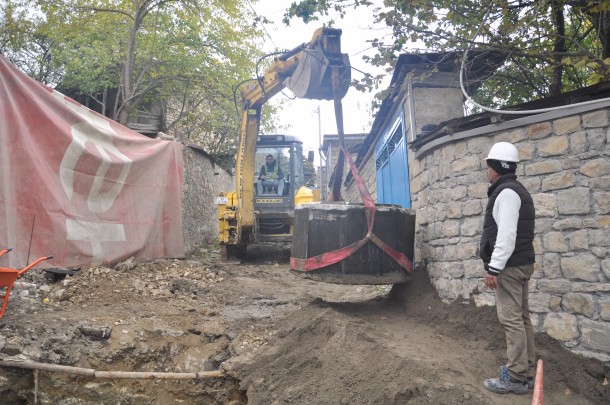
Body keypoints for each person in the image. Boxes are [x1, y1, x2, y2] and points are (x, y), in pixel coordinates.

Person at [480, 142, 536, 395]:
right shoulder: (517, 190)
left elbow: (507, 235)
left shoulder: (506, 193)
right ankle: (526, 371)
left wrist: (493, 269)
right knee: (522, 319)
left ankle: (515, 377)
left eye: (489, 167)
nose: (487, 172)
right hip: (521, 263)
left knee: (511, 320)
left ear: (496, 168)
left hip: (510, 268)